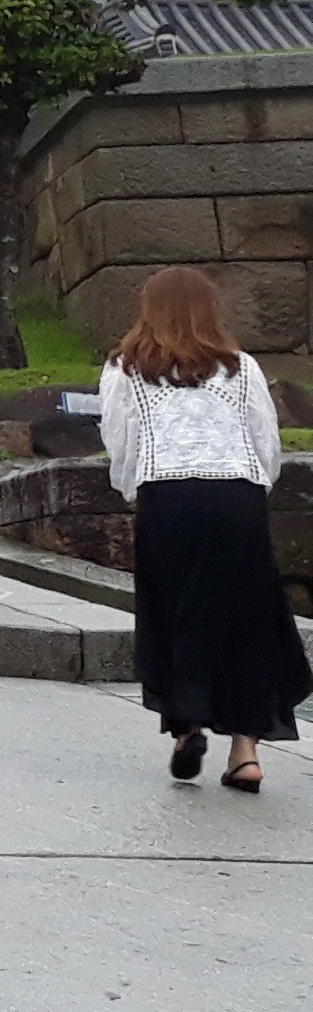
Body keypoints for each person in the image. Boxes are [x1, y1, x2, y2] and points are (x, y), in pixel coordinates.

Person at [102, 265, 310, 792]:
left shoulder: (127, 367)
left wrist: (136, 490)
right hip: (235, 497)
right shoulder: (241, 368)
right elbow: (267, 443)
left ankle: (187, 724)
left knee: (176, 610)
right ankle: (244, 752)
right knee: (247, 617)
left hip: (168, 496)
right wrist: (251, 490)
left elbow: (120, 442)